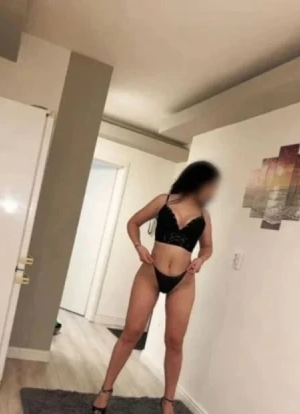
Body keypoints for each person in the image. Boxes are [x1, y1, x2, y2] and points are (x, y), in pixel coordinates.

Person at [92, 161, 221, 414]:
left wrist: (201, 259)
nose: (212, 191)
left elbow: (207, 248)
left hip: (183, 281)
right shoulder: (164, 201)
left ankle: (168, 401)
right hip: (150, 275)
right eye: (210, 185)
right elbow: (133, 222)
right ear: (197, 181)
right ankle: (105, 390)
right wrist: (139, 247)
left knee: (174, 341)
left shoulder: (205, 215)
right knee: (131, 333)